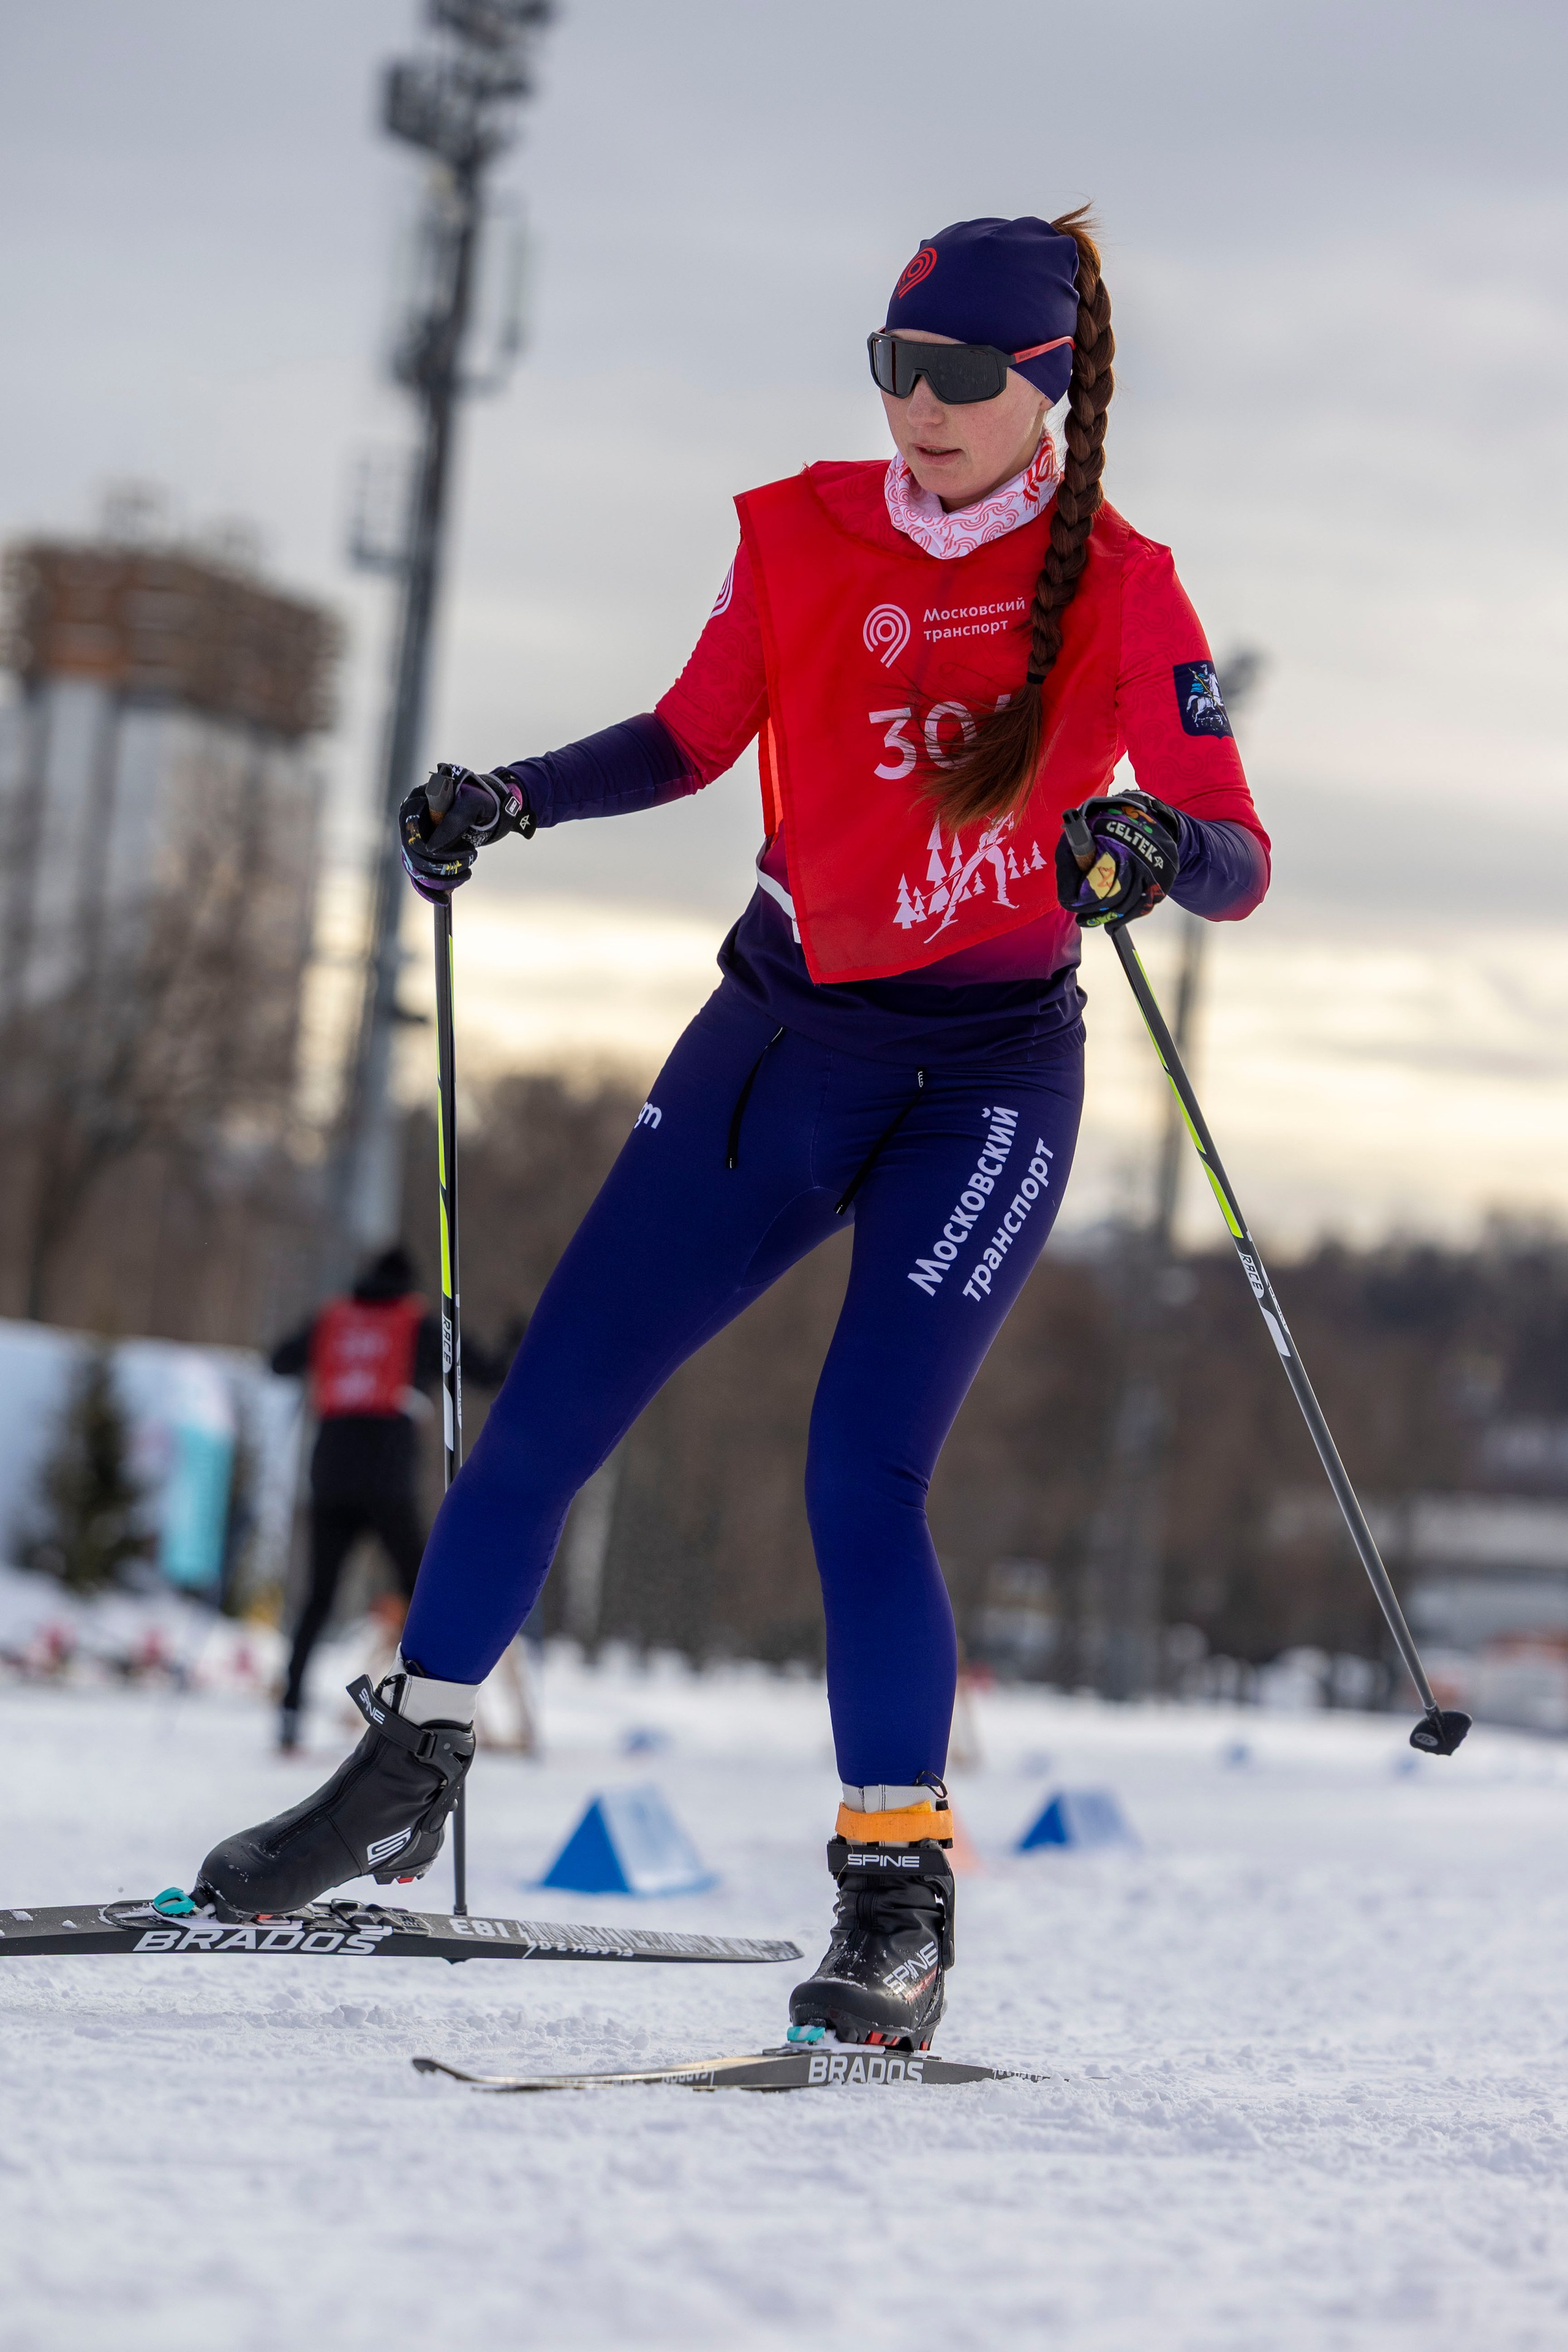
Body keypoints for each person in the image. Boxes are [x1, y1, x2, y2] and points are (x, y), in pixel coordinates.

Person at [198, 212, 1268, 2049]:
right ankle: (405, 1765)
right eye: (892, 365)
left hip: (985, 1083)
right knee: (543, 1417)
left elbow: (1232, 852)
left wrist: (1154, 844)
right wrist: (509, 795)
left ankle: (894, 1898)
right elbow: (690, 736)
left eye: (957, 376)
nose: (915, 405)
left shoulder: (1123, 585)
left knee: (861, 1467)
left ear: (1044, 391)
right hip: (775, 1044)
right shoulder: (796, 534)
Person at [268, 1247, 516, 1751]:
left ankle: (290, 1710)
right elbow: (485, 1372)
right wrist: (516, 1339)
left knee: (318, 1598)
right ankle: (430, 1709)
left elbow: (279, 1362)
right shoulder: (415, 1323)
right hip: (387, 1480)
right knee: (422, 1593)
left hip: (331, 1475)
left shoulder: (334, 1318)